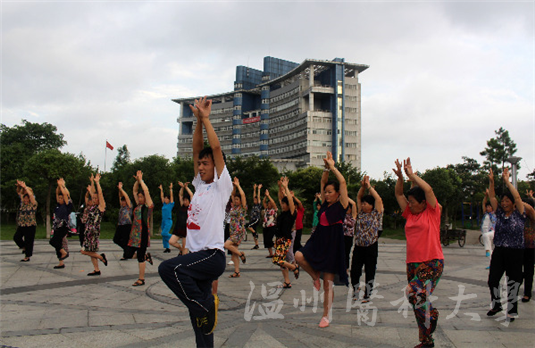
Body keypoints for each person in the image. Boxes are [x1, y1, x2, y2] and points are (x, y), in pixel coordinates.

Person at [158, 96, 233, 348]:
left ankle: (206, 305)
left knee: (167, 269)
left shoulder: (221, 186)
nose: (200, 167)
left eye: (205, 163)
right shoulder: (199, 185)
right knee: (200, 325)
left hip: (212, 256)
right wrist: (198, 120)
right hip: (197, 256)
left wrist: (207, 120)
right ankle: (203, 311)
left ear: (215, 167)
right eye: (199, 163)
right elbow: (196, 148)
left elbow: (216, 150)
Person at [393, 158, 444, 348]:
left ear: (423, 203)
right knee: (417, 301)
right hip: (413, 264)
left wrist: (412, 175)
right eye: (409, 202)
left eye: (413, 202)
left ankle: (433, 315)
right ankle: (426, 341)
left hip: (432, 262)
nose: (410, 205)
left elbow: (429, 191)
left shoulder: (432, 212)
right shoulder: (409, 213)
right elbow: (398, 193)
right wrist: (400, 177)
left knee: (413, 292)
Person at [295, 151, 349, 328]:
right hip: (317, 241)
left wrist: (333, 168)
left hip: (333, 246)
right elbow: (323, 181)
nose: (326, 194)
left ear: (337, 194)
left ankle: (326, 315)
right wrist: (326, 168)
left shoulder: (342, 205)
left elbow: (342, 182)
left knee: (328, 284)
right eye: (325, 192)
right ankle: (314, 276)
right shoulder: (325, 204)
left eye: (330, 192)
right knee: (298, 257)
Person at [487, 167, 526, 322]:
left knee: (513, 281)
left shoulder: (520, 213)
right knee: (493, 280)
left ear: (513, 203)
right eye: (502, 201)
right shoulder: (500, 213)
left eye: (507, 201)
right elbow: (491, 196)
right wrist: (491, 182)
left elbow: (517, 197)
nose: (504, 203)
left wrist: (507, 181)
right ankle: (496, 304)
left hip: (516, 252)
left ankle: (512, 310)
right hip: (500, 250)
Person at [351, 175, 383, 303]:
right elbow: (358, 197)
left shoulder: (376, 214)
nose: (363, 205)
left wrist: (369, 186)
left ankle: (367, 294)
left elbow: (378, 199)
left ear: (371, 205)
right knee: (355, 270)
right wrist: (363, 187)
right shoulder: (360, 213)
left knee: (370, 270)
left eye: (366, 204)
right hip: (359, 246)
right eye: (363, 204)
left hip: (371, 246)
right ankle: (355, 290)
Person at [126, 170, 155, 286]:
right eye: (139, 197)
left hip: (142, 235)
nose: (139, 198)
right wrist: (137, 182)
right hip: (134, 236)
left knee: (139, 258)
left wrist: (141, 181)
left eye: (141, 197)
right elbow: (134, 190)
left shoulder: (147, 208)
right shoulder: (137, 207)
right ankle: (145, 256)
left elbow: (146, 191)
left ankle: (141, 279)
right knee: (128, 254)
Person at [272, 176, 299, 288]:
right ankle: (287, 282)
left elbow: (290, 201)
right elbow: (280, 198)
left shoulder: (292, 213)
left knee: (278, 260)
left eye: (284, 204)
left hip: (285, 238)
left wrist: (286, 188)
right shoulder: (283, 213)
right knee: (280, 261)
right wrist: (280, 188)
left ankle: (294, 267)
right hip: (279, 238)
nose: (282, 205)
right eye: (282, 204)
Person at [80, 173, 107, 276]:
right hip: (88, 231)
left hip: (93, 232)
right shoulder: (92, 207)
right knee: (91, 251)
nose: (94, 199)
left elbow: (99, 194)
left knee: (84, 251)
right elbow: (93, 193)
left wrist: (97, 183)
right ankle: (96, 269)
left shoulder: (100, 207)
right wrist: (92, 181)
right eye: (93, 198)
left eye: (96, 199)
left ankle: (101, 257)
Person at [224, 177, 248, 278]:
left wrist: (238, 186)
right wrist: (234, 187)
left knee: (226, 245)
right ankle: (237, 272)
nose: (236, 201)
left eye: (237, 200)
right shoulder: (233, 207)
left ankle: (241, 254)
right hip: (233, 231)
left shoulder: (242, 208)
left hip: (238, 232)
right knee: (234, 253)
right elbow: (233, 195)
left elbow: (242, 195)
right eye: (235, 200)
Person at [49, 178, 73, 268]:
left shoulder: (67, 205)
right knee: (57, 244)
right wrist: (58, 185)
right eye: (59, 198)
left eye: (61, 197)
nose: (59, 199)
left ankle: (64, 252)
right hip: (56, 227)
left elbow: (66, 195)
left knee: (53, 241)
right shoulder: (58, 206)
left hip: (63, 226)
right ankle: (61, 262)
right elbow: (56, 193)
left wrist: (63, 186)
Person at [14, 180, 38, 262]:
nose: (26, 200)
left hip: (30, 225)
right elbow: (19, 193)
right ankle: (24, 247)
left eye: (27, 198)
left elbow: (31, 195)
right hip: (22, 224)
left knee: (29, 241)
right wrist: (19, 186)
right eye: (25, 198)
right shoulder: (23, 203)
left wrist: (25, 187)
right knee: (16, 237)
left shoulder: (33, 204)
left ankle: (27, 256)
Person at [170, 181, 192, 255]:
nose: (185, 201)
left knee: (185, 248)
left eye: (186, 200)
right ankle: (181, 249)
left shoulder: (190, 208)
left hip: (186, 229)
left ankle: (184, 262)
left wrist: (186, 187)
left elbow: (191, 195)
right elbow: (180, 195)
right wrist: (182, 188)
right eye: (184, 200)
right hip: (178, 228)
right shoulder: (182, 206)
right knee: (171, 241)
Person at [522, 192, 535, 303]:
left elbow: (530, 209)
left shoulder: (533, 217)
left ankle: (527, 293)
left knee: (529, 271)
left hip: (531, 248)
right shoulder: (520, 217)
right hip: (520, 247)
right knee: (520, 271)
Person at [115, 182, 133, 260]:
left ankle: (126, 255)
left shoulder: (129, 206)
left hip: (127, 225)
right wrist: (119, 190)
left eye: (124, 201)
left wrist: (122, 189)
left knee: (125, 240)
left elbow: (126, 196)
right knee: (116, 239)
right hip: (120, 225)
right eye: (122, 201)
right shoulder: (122, 207)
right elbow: (120, 197)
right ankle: (128, 250)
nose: (123, 202)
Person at [481, 191, 497, 269]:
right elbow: (483, 203)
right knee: (491, 250)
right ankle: (492, 263)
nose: (488, 208)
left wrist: (490, 195)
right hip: (486, 233)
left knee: (486, 236)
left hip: (493, 232)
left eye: (489, 207)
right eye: (487, 207)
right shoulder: (485, 214)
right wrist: (486, 196)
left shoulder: (495, 214)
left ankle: (487, 249)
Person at [159, 183, 175, 253]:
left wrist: (170, 189)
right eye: (165, 198)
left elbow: (171, 197)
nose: (165, 199)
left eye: (166, 198)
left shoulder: (170, 204)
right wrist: (161, 190)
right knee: (164, 236)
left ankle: (174, 238)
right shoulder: (164, 204)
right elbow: (161, 197)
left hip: (168, 221)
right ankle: (167, 248)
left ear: (169, 200)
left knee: (164, 233)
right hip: (163, 221)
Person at [262, 189, 278, 258]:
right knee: (266, 240)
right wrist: (266, 196)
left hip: (272, 226)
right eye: (268, 203)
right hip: (265, 226)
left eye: (270, 203)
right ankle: (271, 253)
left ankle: (276, 246)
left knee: (269, 239)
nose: (269, 204)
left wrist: (269, 196)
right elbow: (263, 202)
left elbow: (273, 202)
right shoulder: (266, 209)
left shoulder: (274, 209)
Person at [246, 184, 262, 250]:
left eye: (256, 200)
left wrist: (258, 189)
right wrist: (254, 189)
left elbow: (258, 197)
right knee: (253, 232)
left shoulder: (258, 205)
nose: (254, 200)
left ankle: (255, 233)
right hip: (253, 219)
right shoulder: (254, 205)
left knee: (248, 225)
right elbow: (254, 196)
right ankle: (256, 244)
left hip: (256, 219)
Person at [343, 197, 357, 271]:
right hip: (341, 236)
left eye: (348, 208)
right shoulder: (341, 215)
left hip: (348, 237)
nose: (347, 209)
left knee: (346, 253)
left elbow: (354, 204)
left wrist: (345, 196)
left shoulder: (353, 217)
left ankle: (346, 269)